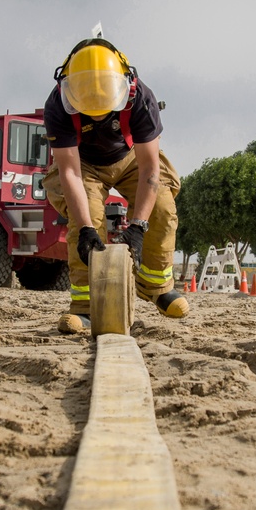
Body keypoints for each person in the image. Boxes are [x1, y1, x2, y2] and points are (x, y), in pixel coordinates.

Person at [42, 37, 188, 333]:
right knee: (87, 221)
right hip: (84, 164)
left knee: (160, 206)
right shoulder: (57, 105)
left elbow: (150, 168)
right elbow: (69, 173)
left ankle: (156, 286)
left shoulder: (142, 99)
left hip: (131, 158)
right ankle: (85, 306)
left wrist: (137, 227)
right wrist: (84, 228)